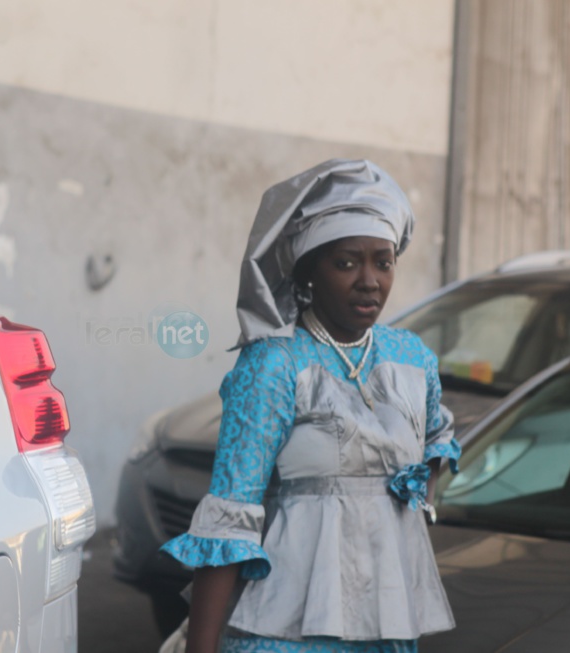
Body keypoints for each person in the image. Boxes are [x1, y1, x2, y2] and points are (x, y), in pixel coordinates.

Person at [161, 159, 461, 653]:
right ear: (308, 273)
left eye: (382, 262)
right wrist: (201, 647)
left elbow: (438, 438)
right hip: (286, 629)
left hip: (387, 620)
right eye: (347, 262)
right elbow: (230, 514)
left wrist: (407, 496)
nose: (370, 280)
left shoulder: (412, 358)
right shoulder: (273, 366)